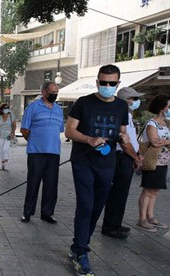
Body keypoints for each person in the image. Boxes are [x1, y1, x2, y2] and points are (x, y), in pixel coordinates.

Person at [65, 64, 140, 276]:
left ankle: (78, 246)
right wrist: (88, 138)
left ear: (118, 84)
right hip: (83, 162)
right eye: (103, 83)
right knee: (86, 206)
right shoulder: (83, 103)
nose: (107, 86)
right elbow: (70, 130)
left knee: (97, 208)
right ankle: (81, 252)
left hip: (108, 163)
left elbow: (122, 132)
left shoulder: (120, 107)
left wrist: (132, 150)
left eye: (112, 83)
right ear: (97, 82)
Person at [101, 87, 145, 239]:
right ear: (124, 100)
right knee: (118, 193)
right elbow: (124, 142)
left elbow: (132, 139)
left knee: (122, 193)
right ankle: (110, 226)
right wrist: (136, 157)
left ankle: (116, 223)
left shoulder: (128, 116)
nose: (136, 102)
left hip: (128, 156)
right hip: (121, 157)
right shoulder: (119, 115)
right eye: (133, 99)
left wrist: (138, 153)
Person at [20, 81, 63, 223]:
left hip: (54, 152)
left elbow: (59, 130)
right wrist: (34, 141)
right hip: (36, 152)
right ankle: (27, 212)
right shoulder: (33, 107)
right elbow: (24, 129)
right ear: (44, 92)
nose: (55, 95)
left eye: (56, 92)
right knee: (33, 182)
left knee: (51, 184)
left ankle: (47, 213)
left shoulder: (59, 110)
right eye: (52, 92)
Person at [136, 93, 170, 232]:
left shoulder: (165, 123)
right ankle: (142, 219)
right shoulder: (152, 123)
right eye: (169, 106)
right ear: (162, 108)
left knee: (155, 190)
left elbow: (162, 142)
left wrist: (165, 142)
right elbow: (155, 142)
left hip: (163, 161)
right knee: (148, 190)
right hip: (153, 161)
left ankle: (150, 216)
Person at [0, 103, 16, 171]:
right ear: (2, 109)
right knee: (1, 150)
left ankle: (6, 161)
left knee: (5, 149)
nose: (6, 109)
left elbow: (14, 125)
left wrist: (13, 133)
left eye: (7, 108)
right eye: (5, 108)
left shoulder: (11, 116)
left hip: (8, 135)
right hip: (1, 135)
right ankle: (2, 164)